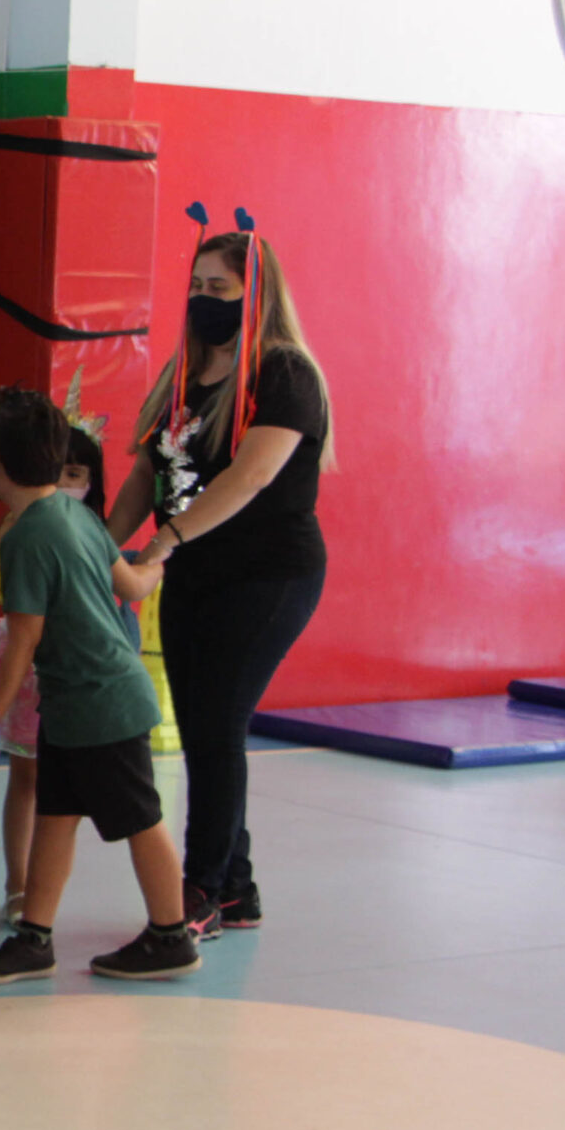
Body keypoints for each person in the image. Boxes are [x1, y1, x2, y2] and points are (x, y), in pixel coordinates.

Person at [116, 229, 334, 933]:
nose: (203, 299)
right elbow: (147, 473)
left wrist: (167, 540)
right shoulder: (183, 373)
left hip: (267, 574)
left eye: (220, 288)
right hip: (193, 574)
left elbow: (252, 474)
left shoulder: (285, 373)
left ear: (256, 295)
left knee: (217, 726)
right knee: (204, 724)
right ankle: (237, 888)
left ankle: (201, 889)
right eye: (196, 286)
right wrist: (101, 545)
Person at [0, 389, 197, 983]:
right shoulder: (79, 517)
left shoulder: (24, 535)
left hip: (101, 703)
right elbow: (134, 585)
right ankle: (35, 937)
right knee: (57, 814)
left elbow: (24, 638)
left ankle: (171, 934)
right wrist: (160, 555)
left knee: (140, 817)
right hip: (77, 703)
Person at [0, 423, 111, 924]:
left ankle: (42, 891)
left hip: (75, 671)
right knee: (27, 776)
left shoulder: (93, 531)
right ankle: (17, 884)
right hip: (28, 666)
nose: (66, 483)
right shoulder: (18, 526)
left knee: (63, 788)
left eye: (76, 474)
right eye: (60, 471)